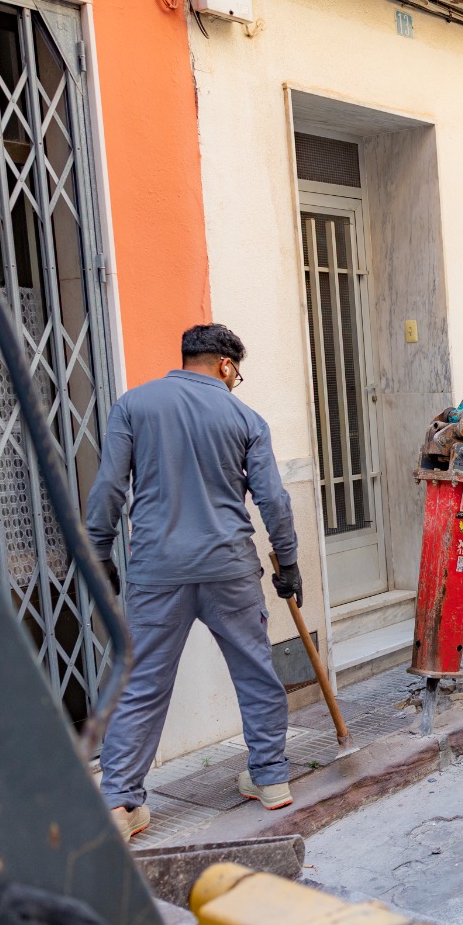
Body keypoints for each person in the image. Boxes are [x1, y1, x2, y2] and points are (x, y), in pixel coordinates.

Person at [86, 324, 305, 841]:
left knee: (140, 684)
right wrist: (288, 564)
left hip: (157, 570)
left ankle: (120, 801)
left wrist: (98, 551)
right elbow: (274, 501)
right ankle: (271, 778)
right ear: (226, 366)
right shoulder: (244, 417)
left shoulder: (133, 406)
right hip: (229, 567)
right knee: (255, 671)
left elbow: (109, 489)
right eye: (237, 373)